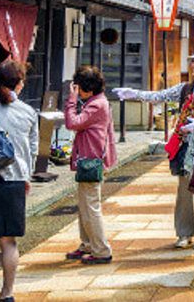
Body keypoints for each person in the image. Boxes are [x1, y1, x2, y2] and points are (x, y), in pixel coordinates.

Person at [113, 49, 194, 250]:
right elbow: (159, 96)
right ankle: (184, 232)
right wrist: (135, 94)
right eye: (193, 61)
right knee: (184, 190)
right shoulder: (186, 89)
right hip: (184, 145)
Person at [0, 61, 38, 302]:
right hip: (14, 181)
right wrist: (27, 177)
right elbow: (31, 150)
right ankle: (7, 293)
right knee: (8, 242)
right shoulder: (28, 113)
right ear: (19, 85)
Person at [63, 66, 117, 265]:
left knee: (91, 207)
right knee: (85, 206)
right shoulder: (97, 101)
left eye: (79, 88)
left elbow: (73, 123)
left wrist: (71, 100)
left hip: (91, 162)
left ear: (89, 89)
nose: (77, 92)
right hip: (88, 160)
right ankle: (87, 244)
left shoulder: (96, 105)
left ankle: (101, 250)